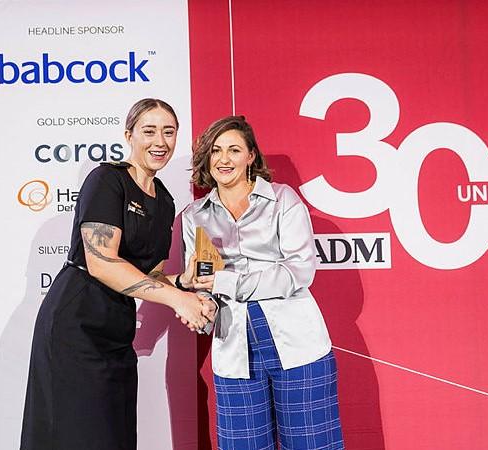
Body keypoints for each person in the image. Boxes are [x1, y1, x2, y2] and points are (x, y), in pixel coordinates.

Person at [21, 98, 215, 450]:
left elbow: (147, 277)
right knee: (74, 437)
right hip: (75, 327)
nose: (160, 141)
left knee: (114, 437)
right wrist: (178, 299)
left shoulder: (165, 201)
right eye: (149, 131)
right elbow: (101, 262)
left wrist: (183, 283)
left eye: (168, 132)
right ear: (129, 135)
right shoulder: (107, 180)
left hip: (116, 333)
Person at [181, 115, 345, 449]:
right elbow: (202, 282)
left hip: (298, 346)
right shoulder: (194, 215)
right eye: (215, 151)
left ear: (251, 155)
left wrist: (224, 282)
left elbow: (298, 272)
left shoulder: (284, 200)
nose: (224, 159)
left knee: (313, 445)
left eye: (234, 150)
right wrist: (198, 305)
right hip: (234, 348)